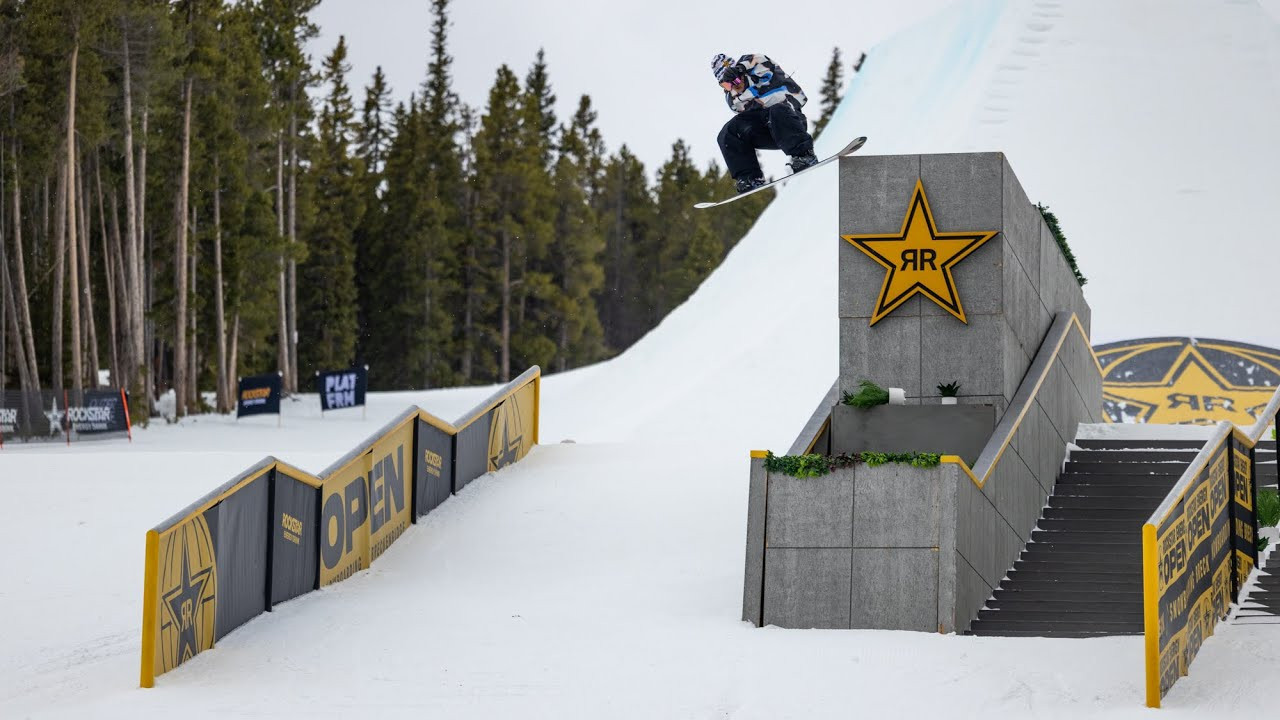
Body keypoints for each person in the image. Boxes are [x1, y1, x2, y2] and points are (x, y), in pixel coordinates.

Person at [711, 52, 818, 194]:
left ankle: (804, 154)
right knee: (728, 131)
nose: (732, 87)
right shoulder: (734, 100)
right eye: (726, 85)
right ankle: (749, 177)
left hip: (790, 122)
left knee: (776, 110)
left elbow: (759, 61)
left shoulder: (760, 72)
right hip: (769, 132)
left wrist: (741, 69)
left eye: (734, 81)